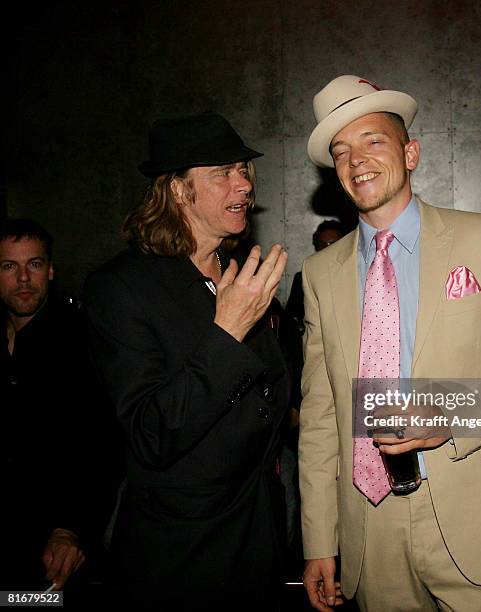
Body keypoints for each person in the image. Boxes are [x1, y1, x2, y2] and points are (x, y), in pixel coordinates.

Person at [298, 75, 481, 611]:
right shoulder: (320, 273)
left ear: (410, 152)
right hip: (371, 533)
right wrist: (319, 540)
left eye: (373, 141)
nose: (357, 161)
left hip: (478, 518)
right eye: (342, 152)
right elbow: (322, 414)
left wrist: (446, 412)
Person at [83, 111, 289, 610]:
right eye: (222, 172)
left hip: (258, 542)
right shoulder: (121, 288)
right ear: (177, 190)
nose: (243, 184)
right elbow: (152, 434)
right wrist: (228, 331)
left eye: (244, 170)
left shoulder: (242, 277)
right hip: (182, 560)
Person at [0, 218, 102, 592]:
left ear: (51, 270)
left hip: (54, 555)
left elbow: (100, 446)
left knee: (30, 604)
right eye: (10, 266)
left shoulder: (80, 342)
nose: (23, 278)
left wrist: (70, 527)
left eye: (35, 264)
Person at [286, 219, 345, 334]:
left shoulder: (354, 275)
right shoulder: (303, 277)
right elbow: (291, 317)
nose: (328, 249)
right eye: (322, 245)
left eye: (333, 244)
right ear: (316, 247)